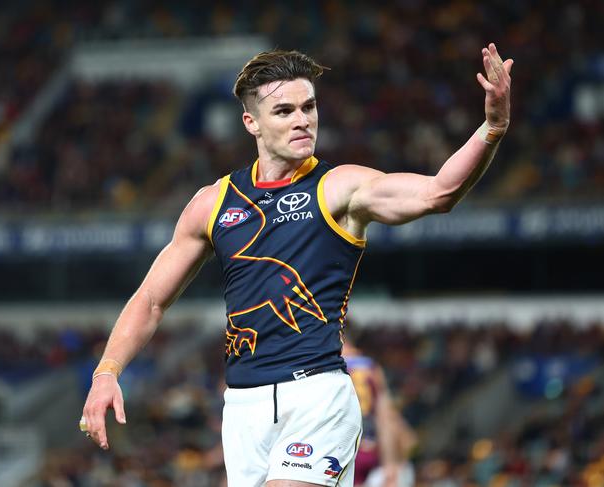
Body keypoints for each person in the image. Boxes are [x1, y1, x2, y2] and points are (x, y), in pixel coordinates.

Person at [79, 44, 513, 487]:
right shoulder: (213, 203)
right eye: (284, 111)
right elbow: (150, 300)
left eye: (308, 107)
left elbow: (437, 193)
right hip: (243, 409)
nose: (302, 120)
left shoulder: (338, 187)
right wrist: (106, 373)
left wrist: (492, 127)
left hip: (316, 396)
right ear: (252, 123)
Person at [342, 323, 417, 487]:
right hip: (368, 447)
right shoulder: (370, 367)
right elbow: (385, 418)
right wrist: (389, 463)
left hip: (341, 449)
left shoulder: (330, 365)